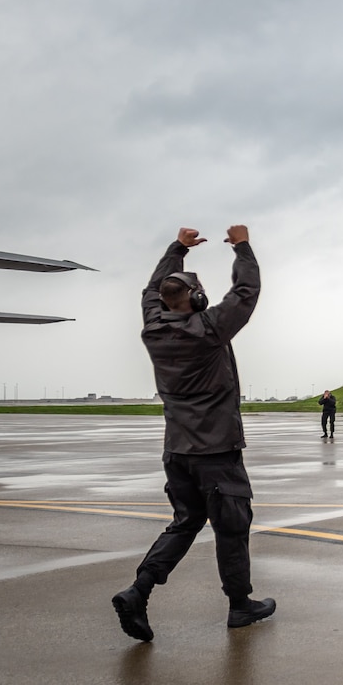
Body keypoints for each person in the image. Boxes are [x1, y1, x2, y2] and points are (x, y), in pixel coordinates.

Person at [111, 225, 275, 642]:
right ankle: (240, 605)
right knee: (232, 528)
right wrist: (241, 245)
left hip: (178, 450)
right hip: (216, 451)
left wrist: (177, 250)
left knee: (186, 522)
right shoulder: (208, 329)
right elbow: (245, 292)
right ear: (197, 299)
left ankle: (138, 590)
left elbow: (152, 288)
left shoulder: (153, 327)